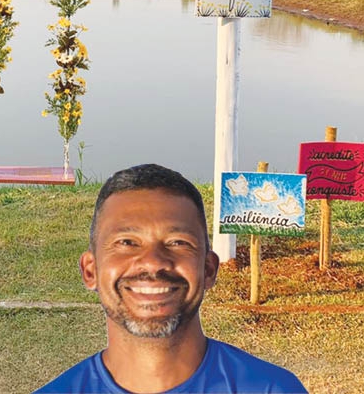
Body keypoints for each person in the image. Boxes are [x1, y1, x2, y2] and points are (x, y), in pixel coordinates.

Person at [32, 164, 307, 394]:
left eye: (177, 242)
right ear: (90, 270)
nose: (153, 261)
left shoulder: (272, 389)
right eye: (127, 242)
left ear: (209, 269)